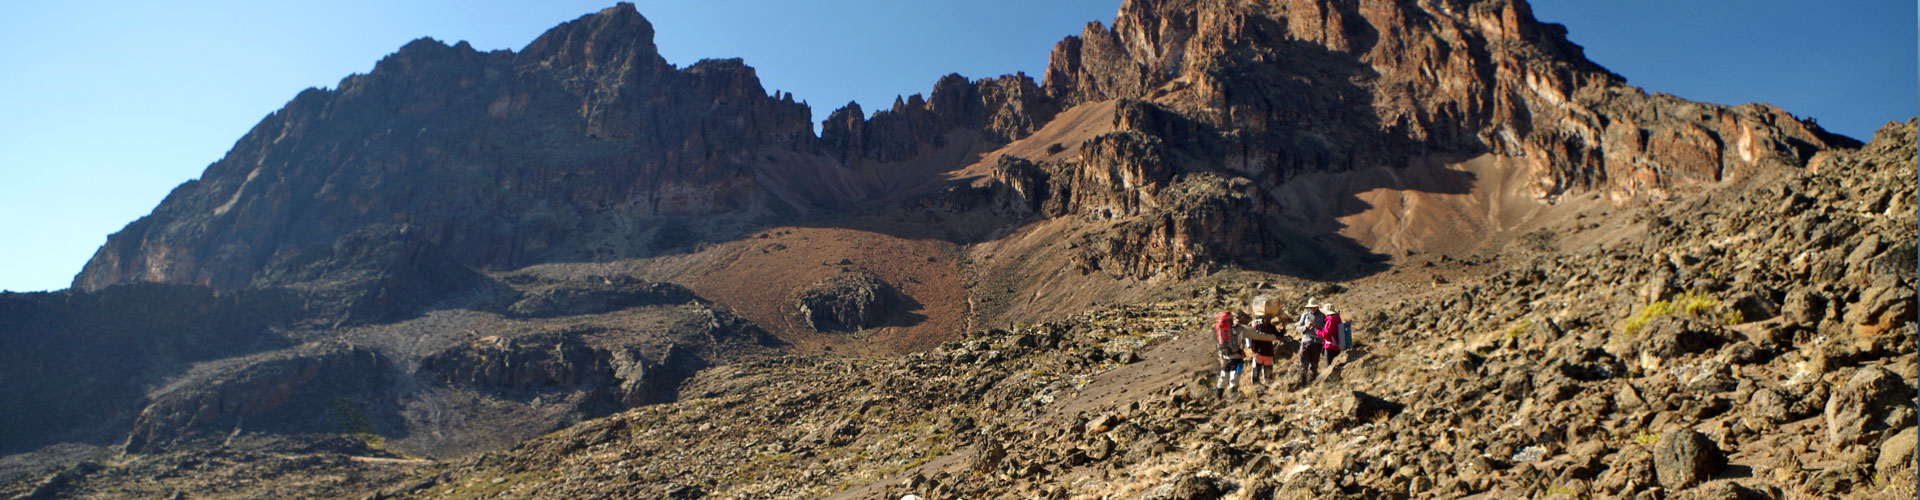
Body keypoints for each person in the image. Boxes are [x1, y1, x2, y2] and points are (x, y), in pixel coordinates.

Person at [1294, 298, 1327, 385]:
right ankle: (1302, 382)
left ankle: (1312, 383)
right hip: (1306, 342)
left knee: (1314, 364)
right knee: (1303, 363)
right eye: (1311, 307)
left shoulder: (1323, 316)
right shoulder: (1305, 315)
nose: (1313, 308)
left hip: (1317, 343)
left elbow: (1325, 330)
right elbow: (1298, 328)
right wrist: (1306, 326)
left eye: (1314, 307)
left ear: (1317, 306)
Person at [1213, 310, 1245, 396]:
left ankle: (1217, 397)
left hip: (1226, 358)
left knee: (1222, 379)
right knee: (1234, 379)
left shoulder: (1221, 330)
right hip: (1237, 358)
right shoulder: (1238, 330)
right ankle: (1234, 397)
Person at [1244, 315, 1281, 385]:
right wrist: (1255, 351)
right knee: (1256, 373)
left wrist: (1283, 327)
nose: (1269, 319)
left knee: (1268, 375)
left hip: (1269, 353)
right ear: (1263, 318)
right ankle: (1256, 387)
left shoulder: (1271, 327)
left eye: (1270, 318)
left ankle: (1268, 386)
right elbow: (1252, 340)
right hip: (1259, 353)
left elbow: (1279, 335)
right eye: (1268, 318)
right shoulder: (1257, 327)